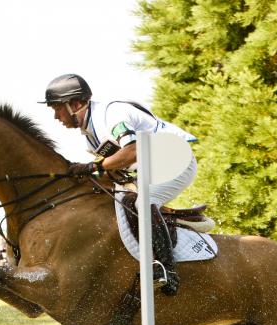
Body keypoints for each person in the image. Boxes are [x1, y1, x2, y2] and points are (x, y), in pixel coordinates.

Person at [40, 73, 197, 296]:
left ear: (75, 104)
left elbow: (132, 151)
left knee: (144, 202)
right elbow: (113, 171)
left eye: (57, 108)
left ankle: (166, 269)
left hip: (175, 159)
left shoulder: (110, 115)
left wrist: (93, 167)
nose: (56, 116)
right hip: (150, 169)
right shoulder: (89, 135)